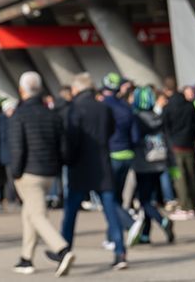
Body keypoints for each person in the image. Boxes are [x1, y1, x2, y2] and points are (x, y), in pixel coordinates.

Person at [6, 72, 74, 276]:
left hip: (29, 173)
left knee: (36, 215)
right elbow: (62, 146)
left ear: (21, 90)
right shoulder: (51, 114)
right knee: (29, 213)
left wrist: (15, 173)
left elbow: (17, 148)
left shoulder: (19, 115)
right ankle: (26, 258)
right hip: (49, 172)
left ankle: (62, 249)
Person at [61, 72, 129, 270]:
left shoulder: (74, 109)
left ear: (78, 88)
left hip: (80, 166)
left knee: (71, 211)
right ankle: (120, 251)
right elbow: (110, 130)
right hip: (102, 163)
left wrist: (68, 159)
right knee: (110, 210)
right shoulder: (103, 108)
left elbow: (71, 138)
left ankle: (65, 249)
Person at [125, 87, 174, 246]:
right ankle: (146, 234)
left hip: (143, 162)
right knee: (149, 197)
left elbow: (134, 138)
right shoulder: (157, 117)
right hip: (159, 162)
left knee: (144, 200)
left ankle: (163, 220)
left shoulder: (137, 118)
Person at [161, 80, 195, 219]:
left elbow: (164, 127)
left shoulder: (168, 107)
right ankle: (193, 206)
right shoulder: (190, 106)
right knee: (191, 175)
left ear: (166, 90)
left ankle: (184, 207)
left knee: (179, 178)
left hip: (174, 147)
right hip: (189, 145)